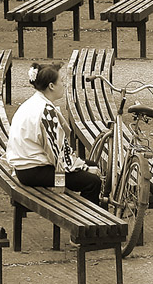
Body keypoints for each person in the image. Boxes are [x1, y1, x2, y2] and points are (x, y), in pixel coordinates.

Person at [6, 62, 101, 205]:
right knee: (92, 181)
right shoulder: (46, 111)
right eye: (61, 81)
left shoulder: (32, 103)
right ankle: (91, 224)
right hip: (33, 172)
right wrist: (85, 168)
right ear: (51, 86)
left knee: (92, 165)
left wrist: (84, 166)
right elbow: (59, 155)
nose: (64, 85)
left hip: (25, 168)